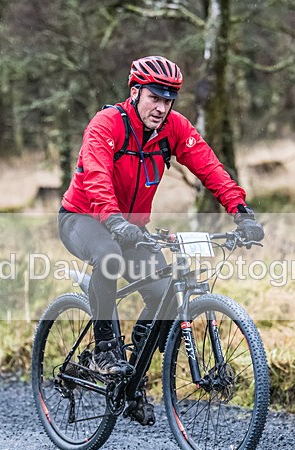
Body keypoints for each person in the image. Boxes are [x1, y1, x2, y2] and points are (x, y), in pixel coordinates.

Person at [57, 55, 264, 423]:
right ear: (136, 92)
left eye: (169, 100)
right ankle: (105, 350)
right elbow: (96, 177)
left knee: (163, 294)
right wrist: (113, 220)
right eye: (154, 97)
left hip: (130, 228)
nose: (161, 107)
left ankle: (132, 380)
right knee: (108, 257)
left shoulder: (174, 128)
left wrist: (240, 210)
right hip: (84, 218)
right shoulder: (107, 124)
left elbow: (209, 167)